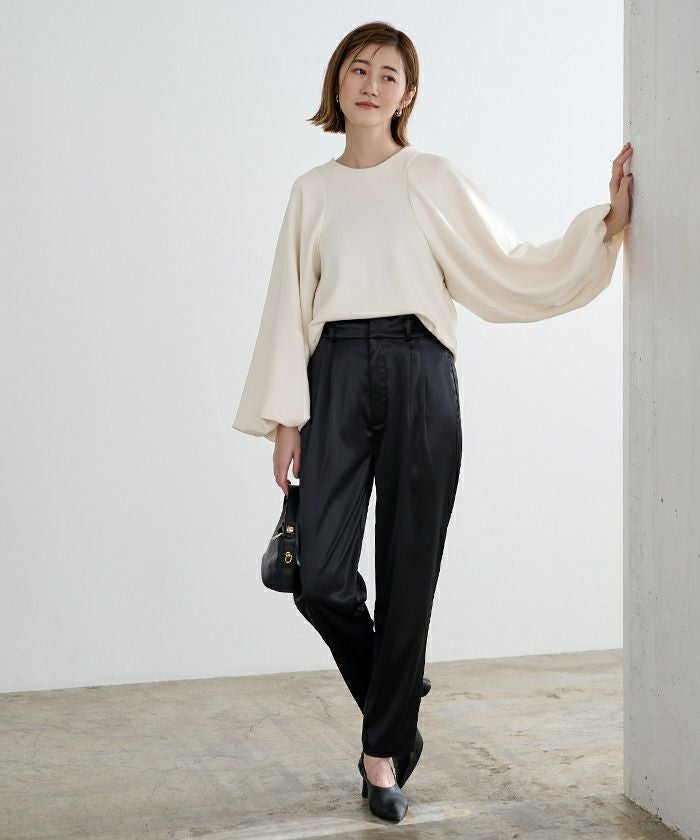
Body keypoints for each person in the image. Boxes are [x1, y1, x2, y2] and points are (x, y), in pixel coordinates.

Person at [232, 20, 633, 824]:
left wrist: (606, 225)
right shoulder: (312, 190)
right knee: (320, 579)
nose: (371, 83)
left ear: (407, 95)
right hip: (336, 371)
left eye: (389, 74)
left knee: (410, 567)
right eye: (359, 68)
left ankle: (382, 756)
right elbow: (288, 303)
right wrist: (286, 418)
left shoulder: (431, 177)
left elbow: (507, 261)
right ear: (337, 83)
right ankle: (395, 686)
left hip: (421, 369)